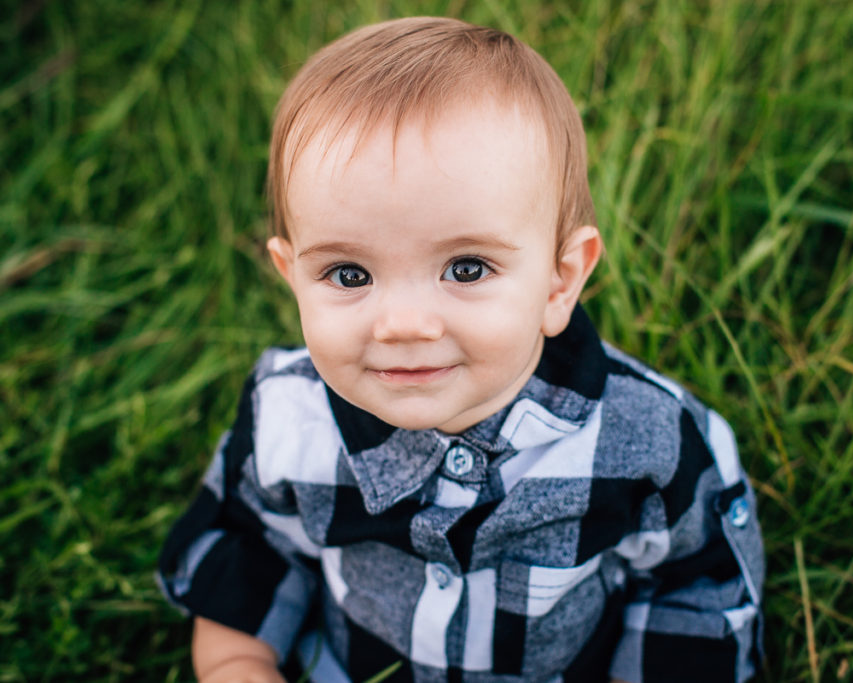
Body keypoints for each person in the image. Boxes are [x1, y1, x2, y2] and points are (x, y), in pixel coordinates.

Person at [158, 16, 764, 683]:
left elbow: (698, 587)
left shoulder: (647, 439)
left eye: (467, 268)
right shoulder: (287, 420)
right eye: (350, 275)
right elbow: (249, 543)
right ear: (292, 275)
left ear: (560, 279)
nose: (404, 324)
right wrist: (237, 664)